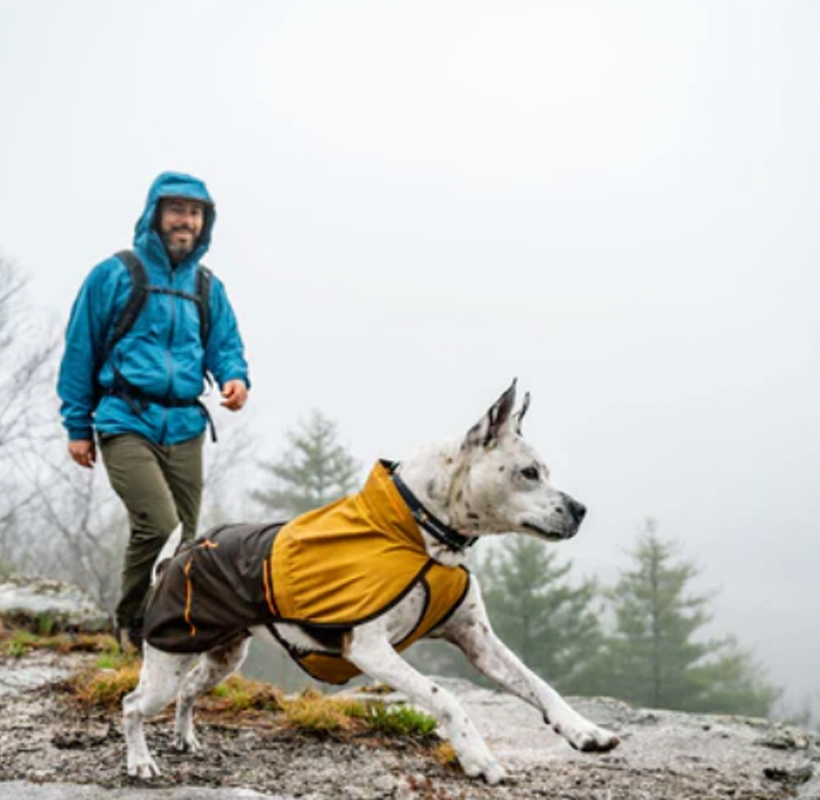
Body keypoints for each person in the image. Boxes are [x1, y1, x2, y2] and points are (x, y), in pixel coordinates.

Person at [57, 171, 250, 651]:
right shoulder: (115, 274)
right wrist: (77, 426)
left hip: (184, 424)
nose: (186, 221)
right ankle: (131, 623)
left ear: (205, 221)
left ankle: (164, 637)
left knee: (186, 544)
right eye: (177, 210)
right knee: (158, 525)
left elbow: (225, 346)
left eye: (195, 213)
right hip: (125, 419)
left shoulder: (207, 287)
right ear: (155, 214)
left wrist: (235, 378)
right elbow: (80, 349)